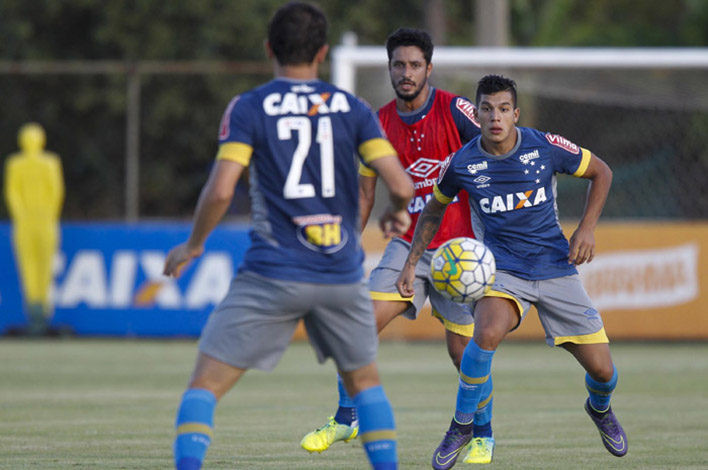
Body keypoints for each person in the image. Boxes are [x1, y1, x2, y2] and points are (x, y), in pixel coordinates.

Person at [162, 3, 414, 470]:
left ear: (268, 49)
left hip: (272, 273)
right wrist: (397, 213)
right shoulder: (354, 109)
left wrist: (194, 244)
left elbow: (220, 191)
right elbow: (400, 186)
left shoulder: (249, 107)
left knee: (204, 386)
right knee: (367, 386)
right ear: (322, 53)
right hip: (339, 273)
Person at [397, 74, 627, 469]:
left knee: (604, 371)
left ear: (515, 113)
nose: (495, 117)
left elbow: (601, 172)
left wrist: (586, 228)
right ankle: (462, 425)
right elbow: (433, 208)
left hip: (557, 268)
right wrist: (410, 260)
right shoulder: (464, 162)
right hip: (503, 271)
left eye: (504, 109)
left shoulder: (544, 146)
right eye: (487, 109)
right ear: (478, 112)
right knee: (484, 333)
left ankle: (600, 408)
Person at [300, 28, 495, 461]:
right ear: (389, 68)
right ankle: (345, 419)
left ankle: (483, 433)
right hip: (409, 244)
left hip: (461, 249)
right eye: (398, 65)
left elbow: (496, 154)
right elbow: (366, 195)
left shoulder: (456, 110)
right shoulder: (378, 124)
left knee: (463, 351)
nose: (406, 73)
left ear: (429, 68)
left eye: (414, 65)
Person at [4, 122, 65, 336]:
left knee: (45, 268)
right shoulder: (15, 164)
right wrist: (21, 215)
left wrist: (47, 214)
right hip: (25, 223)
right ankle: (33, 309)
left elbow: (56, 191)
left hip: (45, 221)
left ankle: (43, 310)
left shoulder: (50, 162)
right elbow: (12, 192)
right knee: (28, 267)